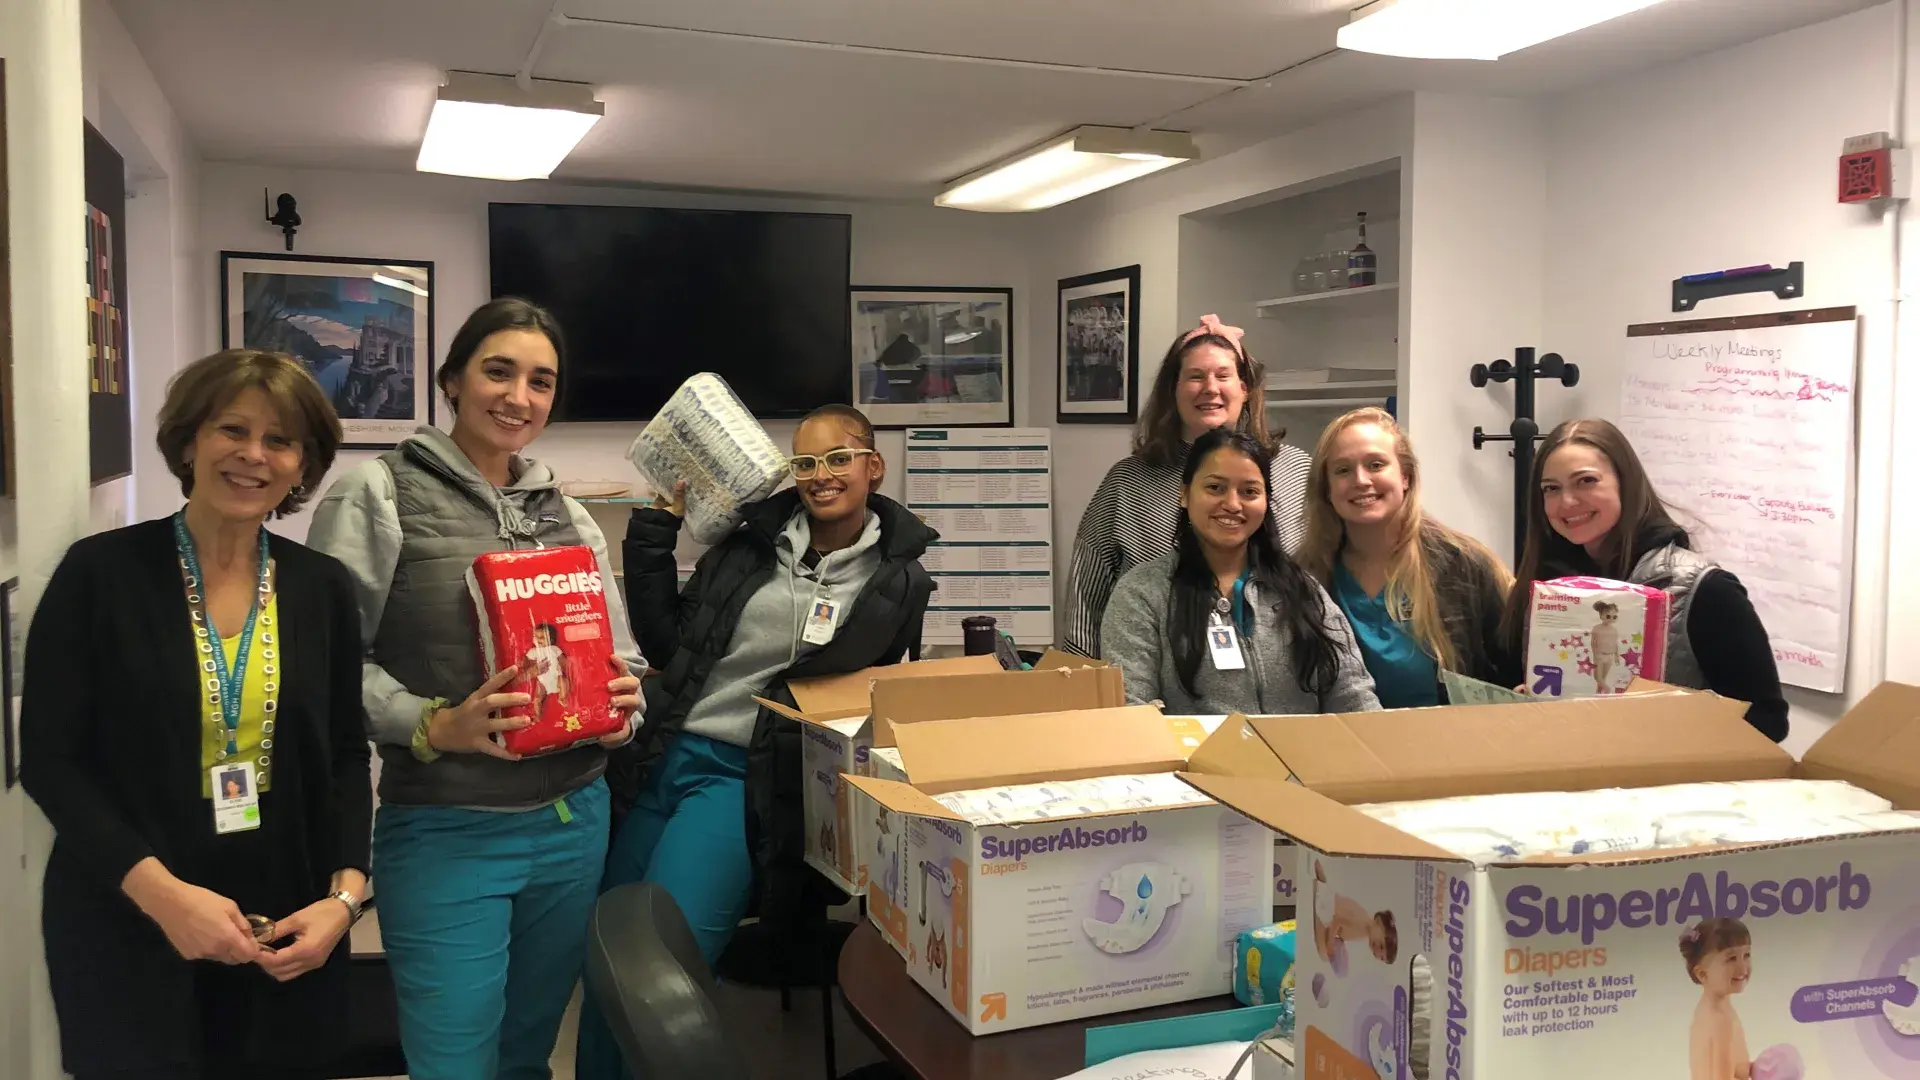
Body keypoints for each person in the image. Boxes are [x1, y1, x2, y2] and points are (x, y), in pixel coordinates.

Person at [306, 298, 645, 1080]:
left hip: (573, 822)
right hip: (447, 829)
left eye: (540, 381)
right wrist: (432, 723)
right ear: (451, 379)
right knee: (455, 1060)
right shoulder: (378, 493)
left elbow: (620, 657)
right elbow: (327, 665)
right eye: (498, 371)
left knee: (526, 1054)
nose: (517, 397)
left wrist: (624, 708)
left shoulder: (572, 516)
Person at [21, 349, 370, 1079]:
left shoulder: (323, 588)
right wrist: (165, 899)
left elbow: (343, 753)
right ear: (188, 442)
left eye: (279, 440)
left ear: (303, 465)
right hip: (129, 914)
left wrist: (344, 899)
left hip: (283, 920)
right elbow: (52, 762)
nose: (253, 455)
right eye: (231, 430)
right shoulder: (99, 575)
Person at [577, 404, 936, 1080]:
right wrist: (655, 531)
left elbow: (867, 699)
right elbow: (669, 644)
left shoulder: (898, 580)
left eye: (837, 458)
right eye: (804, 462)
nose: (819, 474)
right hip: (663, 753)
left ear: (873, 465)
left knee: (663, 968)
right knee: (608, 947)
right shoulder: (749, 546)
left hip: (743, 778)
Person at [1499, 419, 1789, 741]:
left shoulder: (1705, 589)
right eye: (1551, 488)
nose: (1567, 501)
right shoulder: (1545, 589)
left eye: (1586, 481)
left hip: (1668, 784)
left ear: (1626, 482)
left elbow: (1769, 721)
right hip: (1568, 773)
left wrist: (1667, 719)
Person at [1064, 314, 1312, 657]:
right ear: (1173, 389)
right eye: (1195, 376)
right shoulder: (1128, 482)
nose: (1210, 388)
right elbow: (1086, 597)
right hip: (1151, 677)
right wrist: (1085, 686)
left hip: (1281, 678)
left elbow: (1324, 573)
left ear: (1245, 388)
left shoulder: (1297, 470)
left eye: (1223, 376)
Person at [1098, 427, 1378, 716]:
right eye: (1215, 487)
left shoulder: (1303, 589)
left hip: (1299, 760)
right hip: (1192, 761)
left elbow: (1352, 696)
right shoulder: (1141, 594)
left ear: (1266, 501)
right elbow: (1132, 713)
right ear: (1184, 494)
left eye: (1249, 491)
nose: (1232, 504)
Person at [1300, 407, 1516, 707]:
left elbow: (1514, 671)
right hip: (1346, 748)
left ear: (1405, 477)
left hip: (1456, 746)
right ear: (1327, 488)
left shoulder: (1466, 565)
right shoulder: (1303, 579)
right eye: (1342, 470)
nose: (1361, 480)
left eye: (1375, 464)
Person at [1680, 918, 1753, 1080]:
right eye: (1731, 958)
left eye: (1746, 955)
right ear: (1702, 974)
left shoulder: (1713, 1008)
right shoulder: (1721, 1022)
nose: (1742, 967)